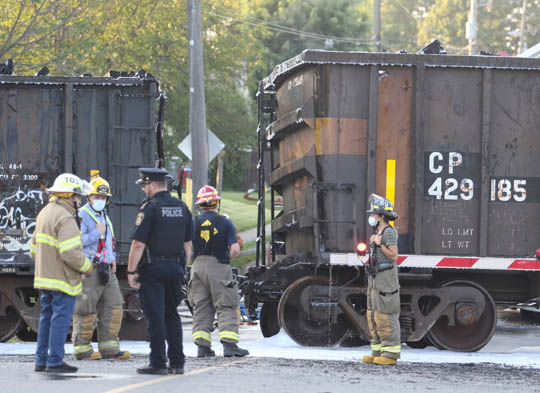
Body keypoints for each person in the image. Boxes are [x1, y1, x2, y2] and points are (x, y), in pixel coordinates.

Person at [127, 168, 192, 375]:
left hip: (153, 269)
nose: (144, 189)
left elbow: (138, 244)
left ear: (153, 185)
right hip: (175, 269)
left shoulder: (150, 208)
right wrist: (182, 269)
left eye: (145, 185)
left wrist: (131, 272)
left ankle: (158, 363)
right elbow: (188, 244)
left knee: (155, 317)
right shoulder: (183, 208)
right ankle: (177, 362)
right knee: (172, 315)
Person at [31, 173, 93, 373]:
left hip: (45, 278)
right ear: (68, 195)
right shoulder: (66, 217)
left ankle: (41, 360)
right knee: (60, 319)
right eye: (77, 196)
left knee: (46, 317)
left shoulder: (45, 212)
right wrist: (87, 267)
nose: (79, 200)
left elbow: (33, 249)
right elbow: (70, 253)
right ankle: (55, 360)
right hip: (63, 280)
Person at [72, 175, 130, 361]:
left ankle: (109, 348)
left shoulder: (103, 215)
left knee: (113, 307)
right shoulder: (81, 215)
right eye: (97, 197)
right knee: (86, 308)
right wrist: (96, 232)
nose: (100, 201)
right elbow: (77, 241)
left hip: (106, 268)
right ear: (89, 197)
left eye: (103, 198)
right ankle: (82, 349)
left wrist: (112, 258)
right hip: (90, 268)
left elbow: (109, 241)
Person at [189, 185, 249, 358]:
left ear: (199, 204)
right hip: (219, 265)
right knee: (226, 304)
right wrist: (225, 259)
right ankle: (230, 347)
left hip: (197, 266)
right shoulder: (224, 222)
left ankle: (203, 347)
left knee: (201, 306)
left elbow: (185, 245)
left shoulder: (194, 222)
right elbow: (236, 249)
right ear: (216, 203)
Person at [361, 194, 401, 366]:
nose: (372, 217)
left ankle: (390, 354)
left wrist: (379, 243)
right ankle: (377, 350)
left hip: (386, 276)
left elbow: (394, 256)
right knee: (373, 313)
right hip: (376, 275)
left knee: (385, 313)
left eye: (374, 214)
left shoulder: (389, 232)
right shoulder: (378, 231)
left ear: (382, 216)